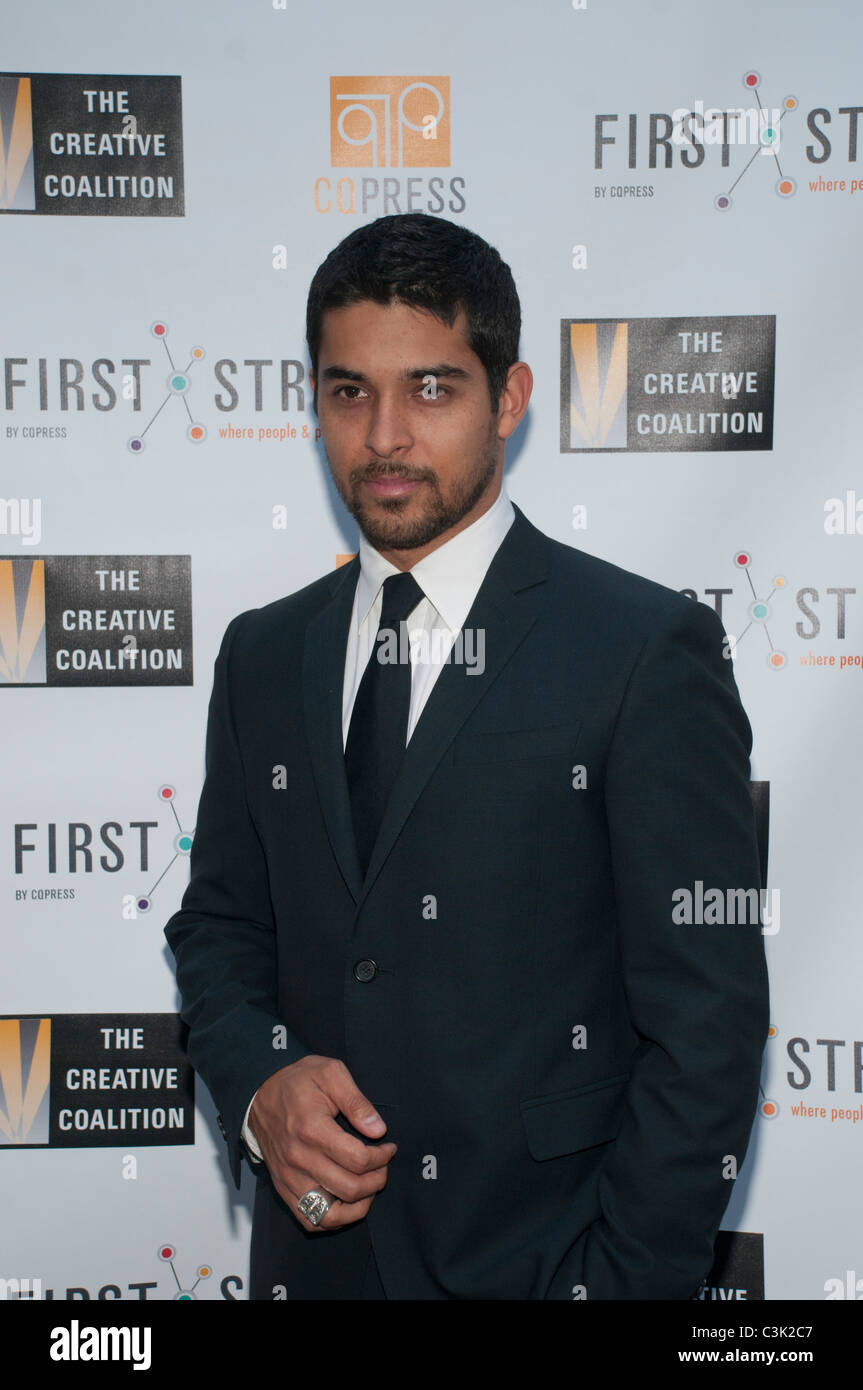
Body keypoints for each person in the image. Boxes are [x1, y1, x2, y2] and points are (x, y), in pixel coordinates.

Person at [164, 212, 769, 1301]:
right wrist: (259, 1086)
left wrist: (617, 1285)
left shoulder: (638, 648)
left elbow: (705, 1022)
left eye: (430, 388)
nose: (385, 433)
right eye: (349, 390)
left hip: (546, 1267)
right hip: (314, 1269)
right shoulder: (263, 652)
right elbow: (217, 925)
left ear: (510, 396)